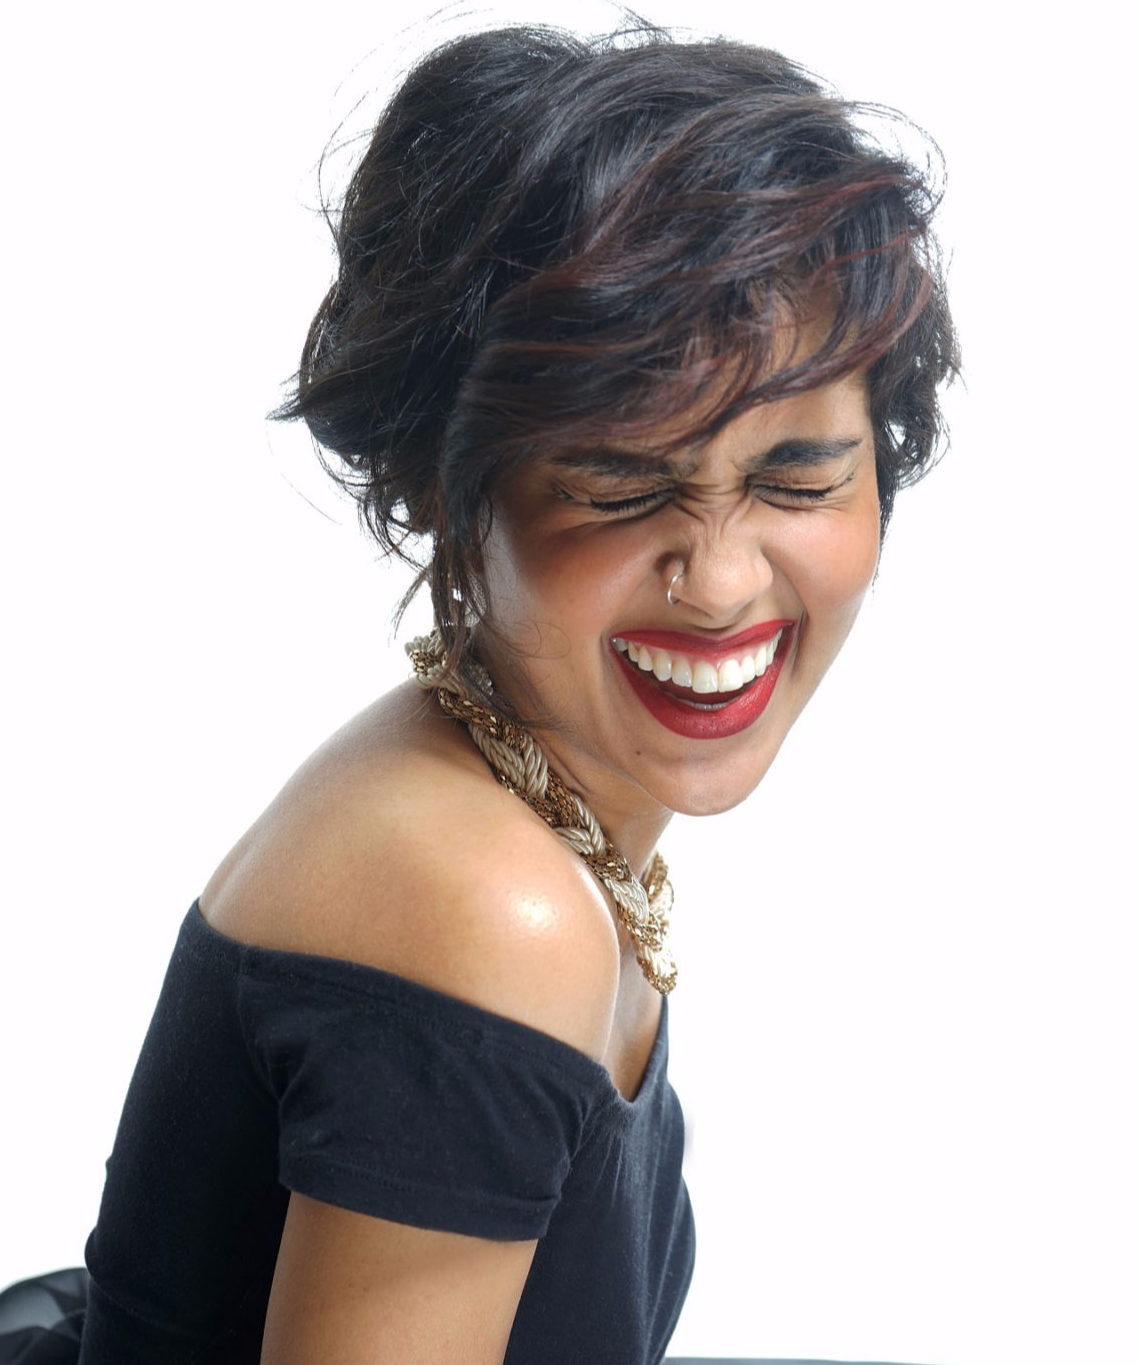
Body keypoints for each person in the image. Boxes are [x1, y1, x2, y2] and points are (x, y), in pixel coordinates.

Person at [0, 20, 958, 1365]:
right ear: (445, 491)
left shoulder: (507, 792)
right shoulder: (484, 906)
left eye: (797, 479)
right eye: (618, 486)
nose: (722, 582)